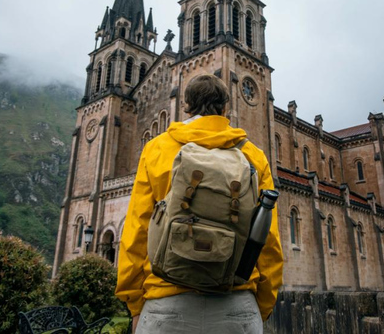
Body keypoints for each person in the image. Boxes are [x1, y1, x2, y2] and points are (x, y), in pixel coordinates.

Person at [116, 74, 283, 334]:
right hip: (236, 301)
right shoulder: (254, 156)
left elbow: (136, 231)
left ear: (186, 105)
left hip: (165, 302)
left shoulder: (157, 148)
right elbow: (267, 241)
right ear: (225, 107)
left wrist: (135, 303)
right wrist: (260, 305)